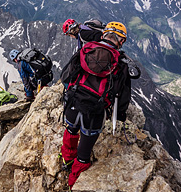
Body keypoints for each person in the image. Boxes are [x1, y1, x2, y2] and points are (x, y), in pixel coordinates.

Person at [59, 21, 139, 189]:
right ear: (121, 41)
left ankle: (67, 160)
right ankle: (74, 182)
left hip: (73, 105)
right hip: (94, 113)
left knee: (71, 131)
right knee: (84, 154)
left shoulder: (85, 50)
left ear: (103, 34)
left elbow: (65, 76)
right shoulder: (121, 64)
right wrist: (120, 116)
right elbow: (123, 96)